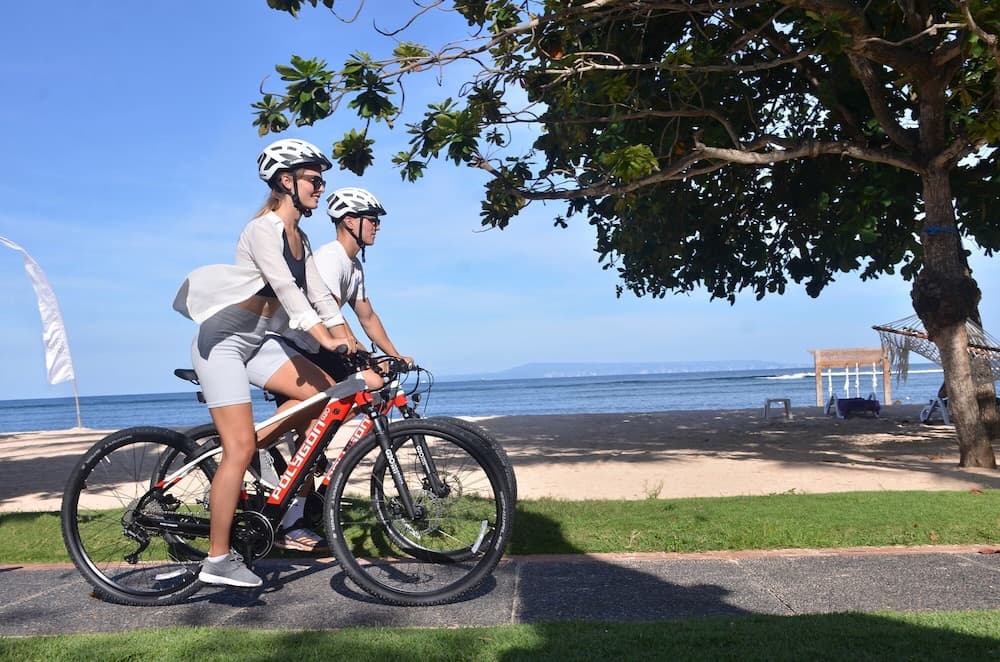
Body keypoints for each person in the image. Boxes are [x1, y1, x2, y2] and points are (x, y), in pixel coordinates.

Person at [173, 138, 353, 588]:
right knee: (238, 449)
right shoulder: (262, 230)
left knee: (325, 394)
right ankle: (218, 559)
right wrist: (326, 340)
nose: (320, 187)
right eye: (314, 179)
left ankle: (251, 452)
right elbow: (289, 294)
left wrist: (350, 341)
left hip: (259, 342)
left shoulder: (301, 237)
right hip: (222, 343)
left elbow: (319, 296)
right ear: (286, 181)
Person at [284, 187, 412, 385]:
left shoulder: (355, 266)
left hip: (320, 346)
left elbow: (368, 318)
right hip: (299, 344)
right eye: (372, 220)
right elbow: (330, 313)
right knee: (370, 383)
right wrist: (366, 355)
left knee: (370, 387)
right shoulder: (331, 257)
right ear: (350, 221)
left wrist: (395, 356)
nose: (377, 227)